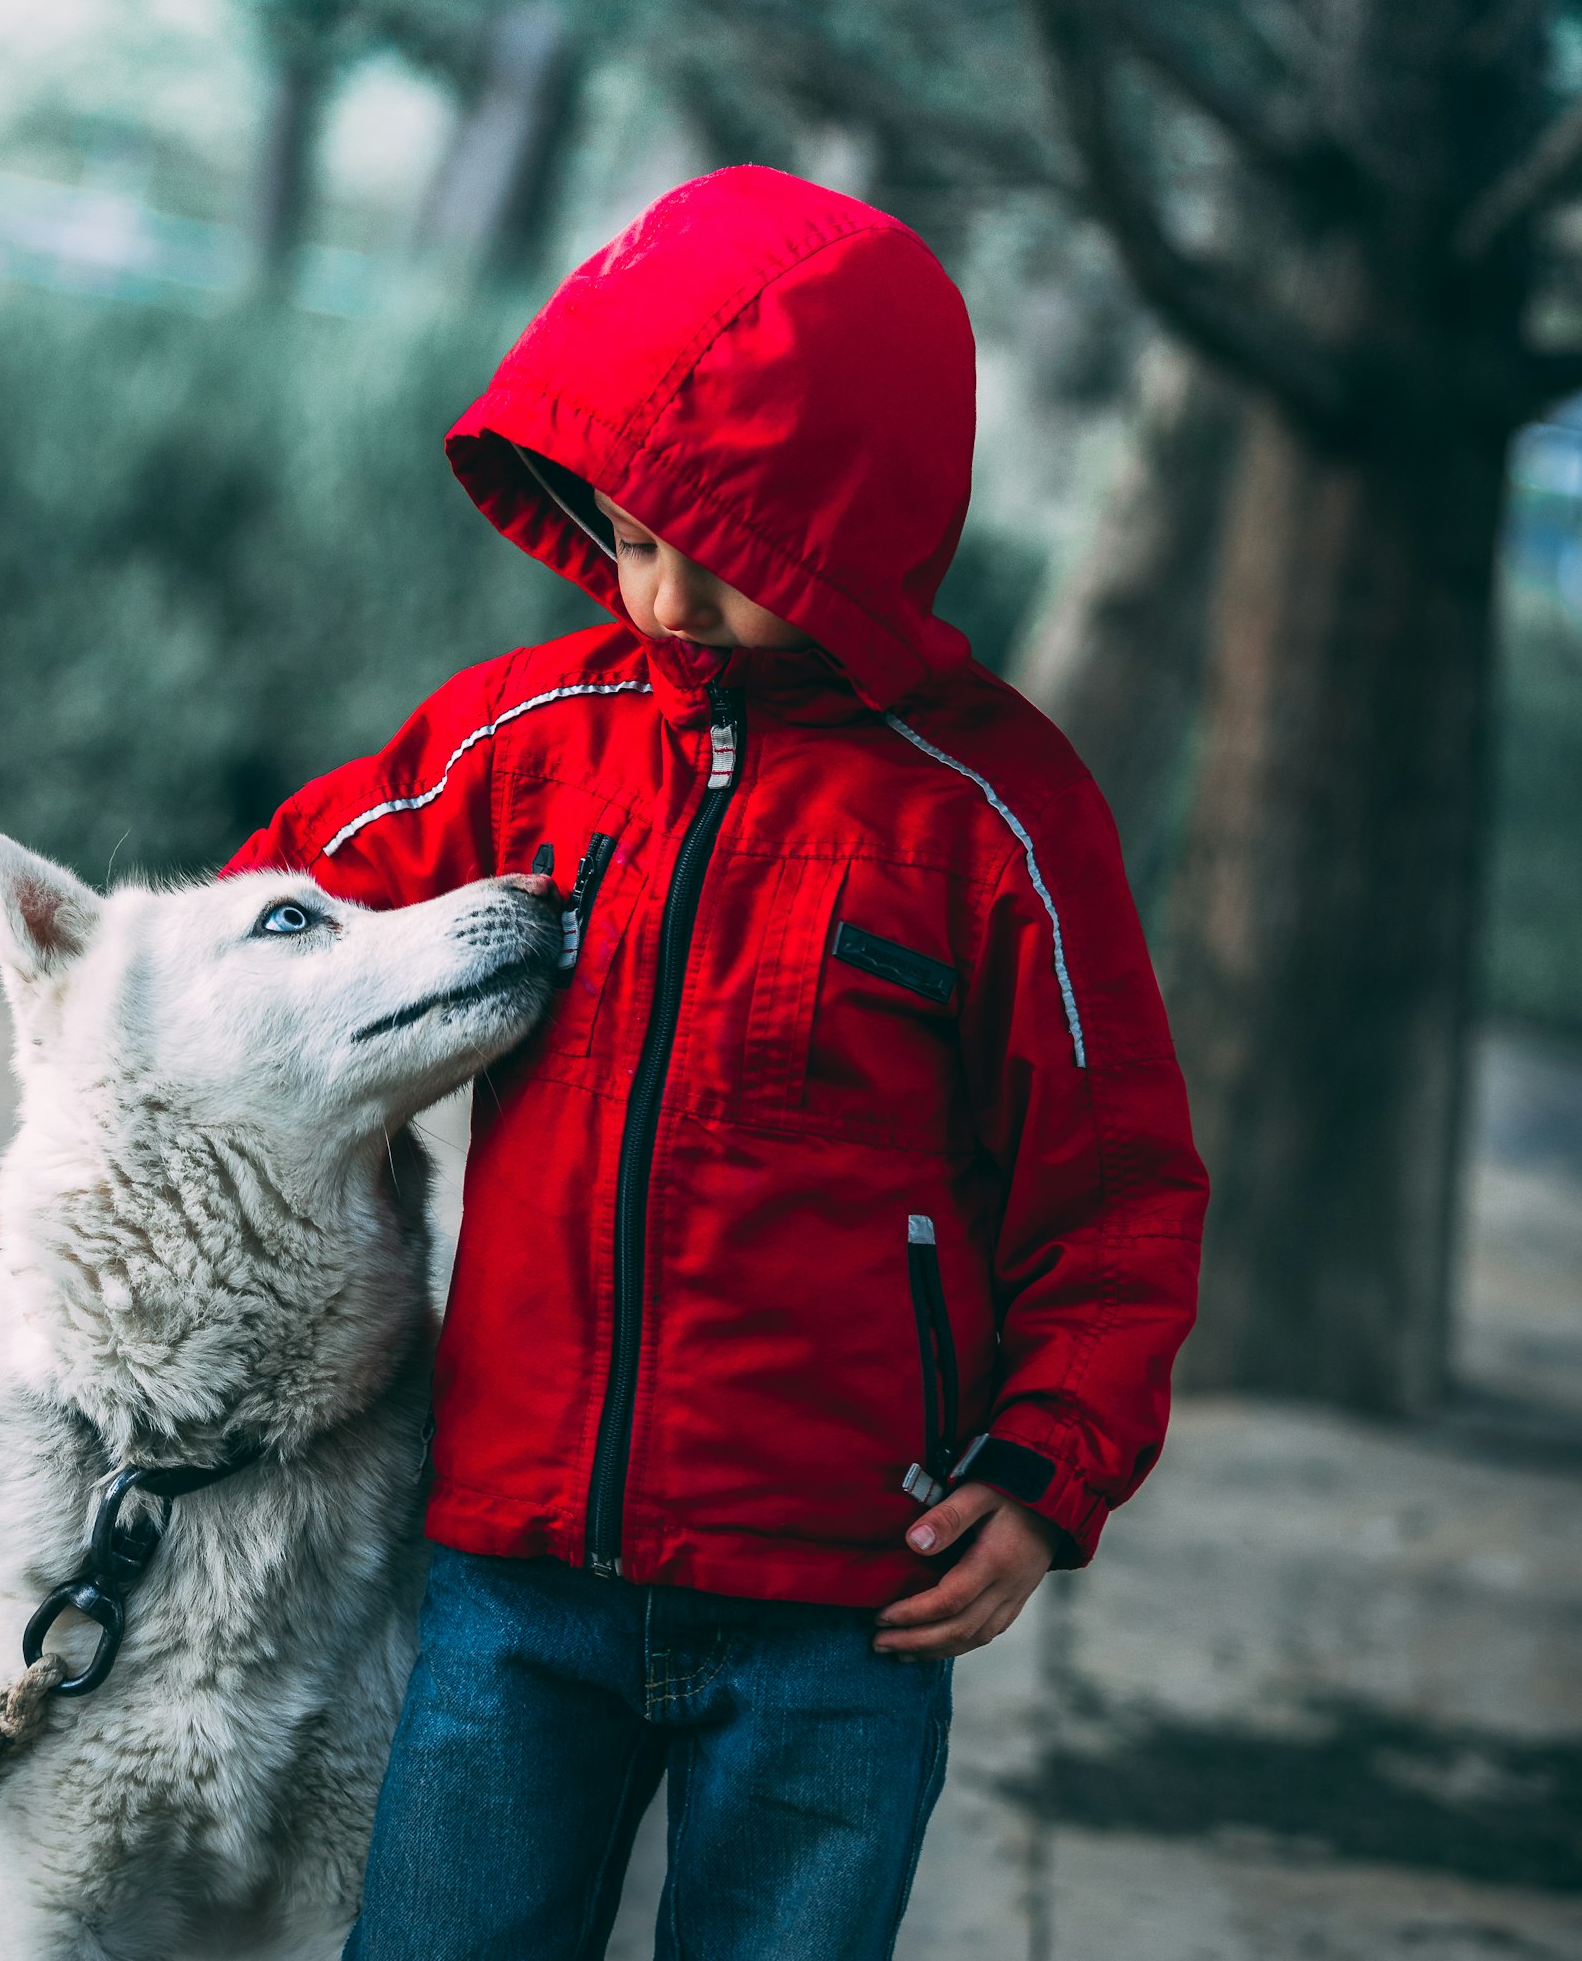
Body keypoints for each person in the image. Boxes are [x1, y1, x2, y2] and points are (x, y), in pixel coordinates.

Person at [225, 165, 1208, 1960]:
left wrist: (1053, 1469)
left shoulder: (995, 815)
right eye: (626, 532)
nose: (664, 594)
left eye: (729, 550)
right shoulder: (523, 742)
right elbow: (264, 937)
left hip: (846, 1606)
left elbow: (1118, 1181)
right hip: (515, 1574)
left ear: (861, 529)